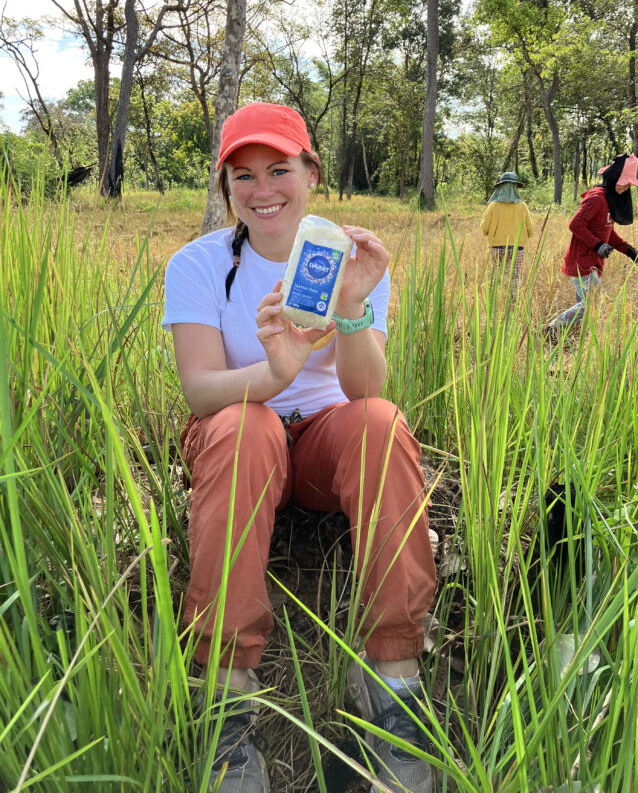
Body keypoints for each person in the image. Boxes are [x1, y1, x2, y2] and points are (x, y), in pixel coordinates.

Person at [162, 102, 436, 793]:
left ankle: (394, 682)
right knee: (247, 423)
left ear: (311, 174)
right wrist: (277, 372)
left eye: (279, 169)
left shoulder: (355, 262)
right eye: (243, 175)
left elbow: (365, 388)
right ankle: (226, 700)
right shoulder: (197, 265)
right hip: (236, 439)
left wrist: (349, 308)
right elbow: (200, 392)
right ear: (227, 188)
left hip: (322, 446)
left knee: (381, 422)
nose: (263, 190)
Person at [544, 153, 638, 338]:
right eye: (626, 182)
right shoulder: (597, 198)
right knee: (591, 303)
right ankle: (551, 329)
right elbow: (575, 224)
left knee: (588, 305)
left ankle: (576, 337)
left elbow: (608, 232)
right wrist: (597, 245)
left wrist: (628, 250)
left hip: (592, 262)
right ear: (614, 179)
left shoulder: (609, 200)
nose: (628, 187)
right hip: (581, 261)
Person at [480, 171, 534, 300]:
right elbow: (530, 229)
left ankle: (497, 301)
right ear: (515, 187)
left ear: (500, 187)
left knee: (497, 275)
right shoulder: (522, 206)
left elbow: (484, 228)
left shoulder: (493, 206)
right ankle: (513, 301)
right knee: (515, 277)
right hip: (517, 248)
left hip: (496, 247)